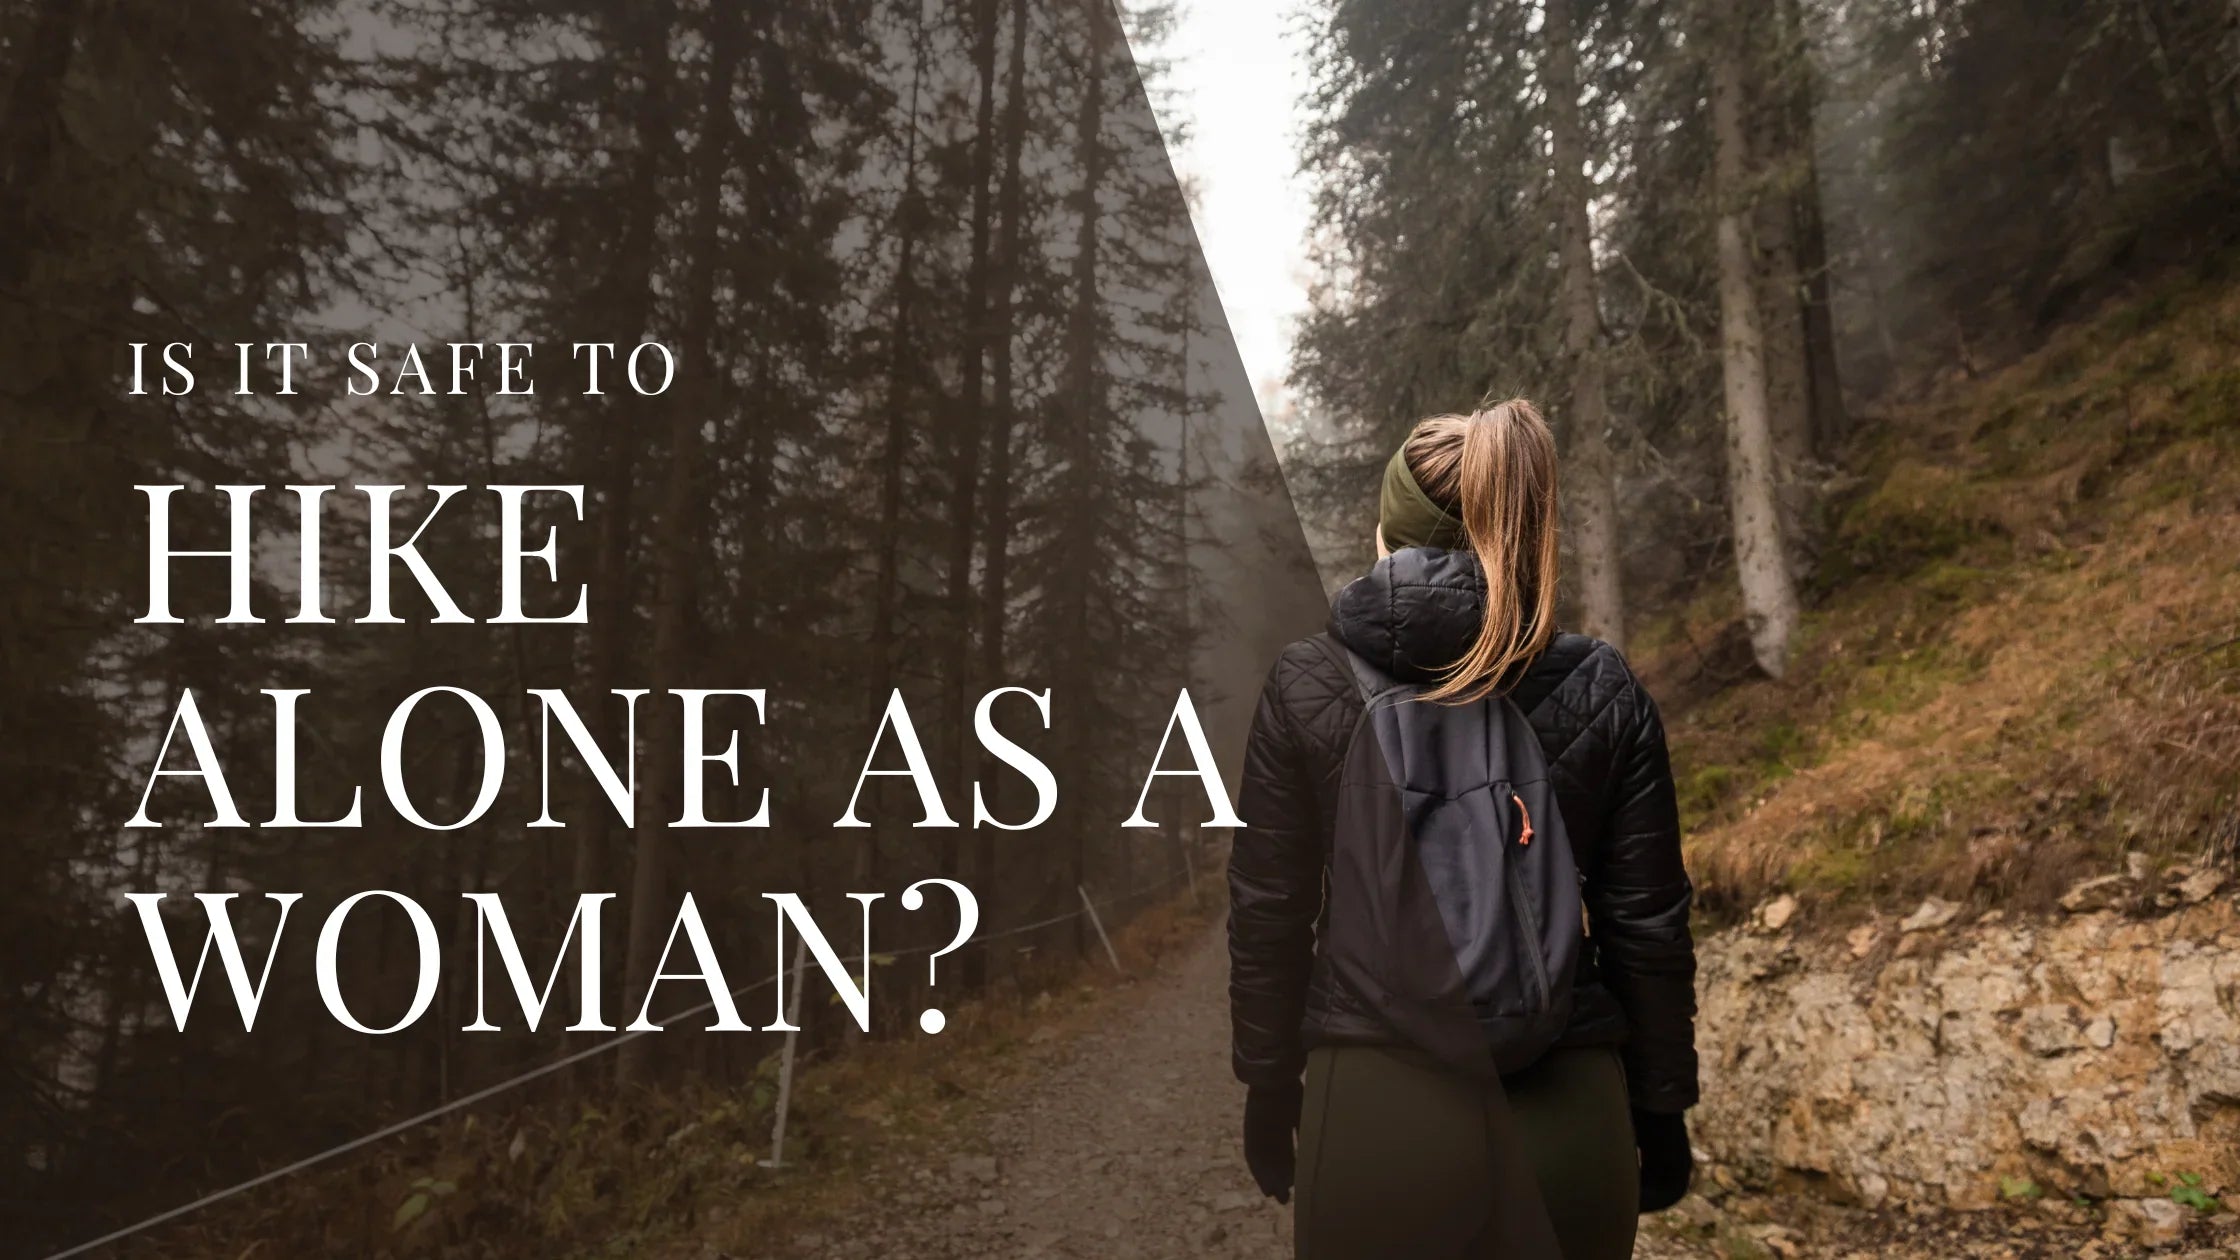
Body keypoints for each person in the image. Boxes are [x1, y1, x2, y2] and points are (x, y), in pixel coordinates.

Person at [1228, 400, 1698, 1259]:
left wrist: (1267, 1083)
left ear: (1384, 534)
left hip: (1375, 1110)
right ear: (1514, 533)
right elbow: (1647, 924)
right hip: (1569, 1111)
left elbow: (1270, 910)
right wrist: (1661, 1105)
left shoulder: (1307, 683)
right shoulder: (1601, 687)